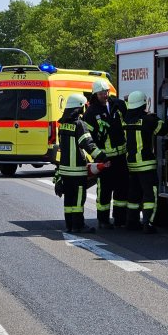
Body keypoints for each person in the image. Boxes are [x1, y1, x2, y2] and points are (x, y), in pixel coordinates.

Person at [83, 78, 129, 229]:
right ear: (95, 94)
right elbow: (88, 138)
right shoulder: (91, 112)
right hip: (105, 158)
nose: (105, 95)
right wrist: (100, 158)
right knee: (104, 190)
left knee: (122, 188)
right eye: (102, 93)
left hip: (121, 156)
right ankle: (103, 220)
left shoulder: (118, 105)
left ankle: (120, 219)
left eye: (106, 92)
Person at [123, 90, 168, 234]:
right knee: (150, 195)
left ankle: (131, 222)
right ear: (143, 104)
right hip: (146, 166)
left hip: (131, 165)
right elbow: (164, 129)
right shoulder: (148, 120)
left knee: (133, 196)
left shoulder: (125, 121)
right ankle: (147, 223)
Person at [58, 93, 105, 233]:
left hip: (65, 171)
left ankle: (69, 225)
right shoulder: (79, 124)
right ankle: (78, 225)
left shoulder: (63, 125)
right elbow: (88, 144)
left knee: (69, 199)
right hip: (77, 171)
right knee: (79, 199)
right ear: (79, 108)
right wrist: (102, 157)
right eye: (84, 106)